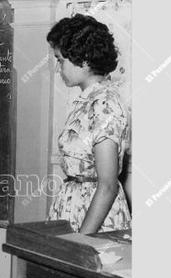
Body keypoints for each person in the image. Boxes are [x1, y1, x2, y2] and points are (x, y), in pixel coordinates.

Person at [46, 14, 131, 234]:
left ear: (83, 59)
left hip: (94, 219)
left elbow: (108, 185)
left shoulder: (105, 104)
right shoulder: (87, 101)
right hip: (74, 207)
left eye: (60, 60)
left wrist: (81, 240)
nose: (58, 69)